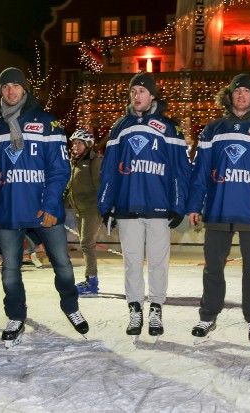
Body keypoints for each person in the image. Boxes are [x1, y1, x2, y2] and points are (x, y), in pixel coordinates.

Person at [0, 67, 89, 347]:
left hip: (44, 212)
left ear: (25, 89)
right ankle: (15, 316)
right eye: (5, 87)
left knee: (62, 265)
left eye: (15, 86)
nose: (10, 91)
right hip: (9, 210)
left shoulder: (48, 123)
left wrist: (51, 206)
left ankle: (71, 306)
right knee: (11, 270)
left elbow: (59, 170)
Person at [186, 73, 250, 342]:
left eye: (246, 91)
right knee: (212, 267)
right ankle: (208, 316)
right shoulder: (213, 129)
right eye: (236, 91)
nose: (241, 95)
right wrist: (195, 203)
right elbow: (199, 172)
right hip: (218, 209)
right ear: (229, 96)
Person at [98, 71, 191, 342]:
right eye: (133, 91)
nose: (135, 95)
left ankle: (156, 309)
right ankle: (135, 308)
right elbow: (109, 171)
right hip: (127, 207)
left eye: (141, 91)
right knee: (132, 262)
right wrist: (106, 205)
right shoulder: (120, 126)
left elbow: (180, 171)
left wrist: (178, 205)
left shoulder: (170, 127)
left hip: (159, 207)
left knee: (158, 263)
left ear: (152, 95)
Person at [64, 129, 103, 296]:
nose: (75, 146)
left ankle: (92, 281)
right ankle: (90, 279)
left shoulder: (95, 161)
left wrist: (106, 209)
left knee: (87, 244)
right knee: (85, 244)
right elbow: (70, 185)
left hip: (92, 209)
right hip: (79, 209)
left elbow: (100, 185)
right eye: (74, 143)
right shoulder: (75, 162)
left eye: (79, 143)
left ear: (87, 145)